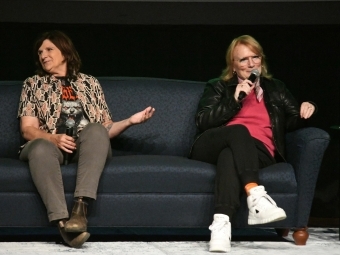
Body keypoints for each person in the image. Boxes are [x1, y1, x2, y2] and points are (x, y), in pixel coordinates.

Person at [17, 30, 155, 248]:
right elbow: (28, 129)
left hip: (84, 146)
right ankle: (63, 223)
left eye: (49, 49)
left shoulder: (90, 83)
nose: (43, 54)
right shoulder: (33, 84)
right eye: (40, 51)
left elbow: (105, 129)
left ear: (65, 52)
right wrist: (53, 138)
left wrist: (130, 121)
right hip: (48, 145)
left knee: (95, 129)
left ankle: (80, 210)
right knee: (39, 147)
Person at [189, 35, 316, 253]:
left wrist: (308, 108)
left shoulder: (276, 88)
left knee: (229, 157)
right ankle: (256, 196)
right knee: (238, 131)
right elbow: (203, 121)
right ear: (234, 66)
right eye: (243, 60)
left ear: (261, 60)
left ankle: (221, 226)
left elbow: (293, 121)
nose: (250, 64)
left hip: (258, 151)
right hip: (212, 144)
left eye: (254, 57)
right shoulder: (218, 87)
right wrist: (233, 100)